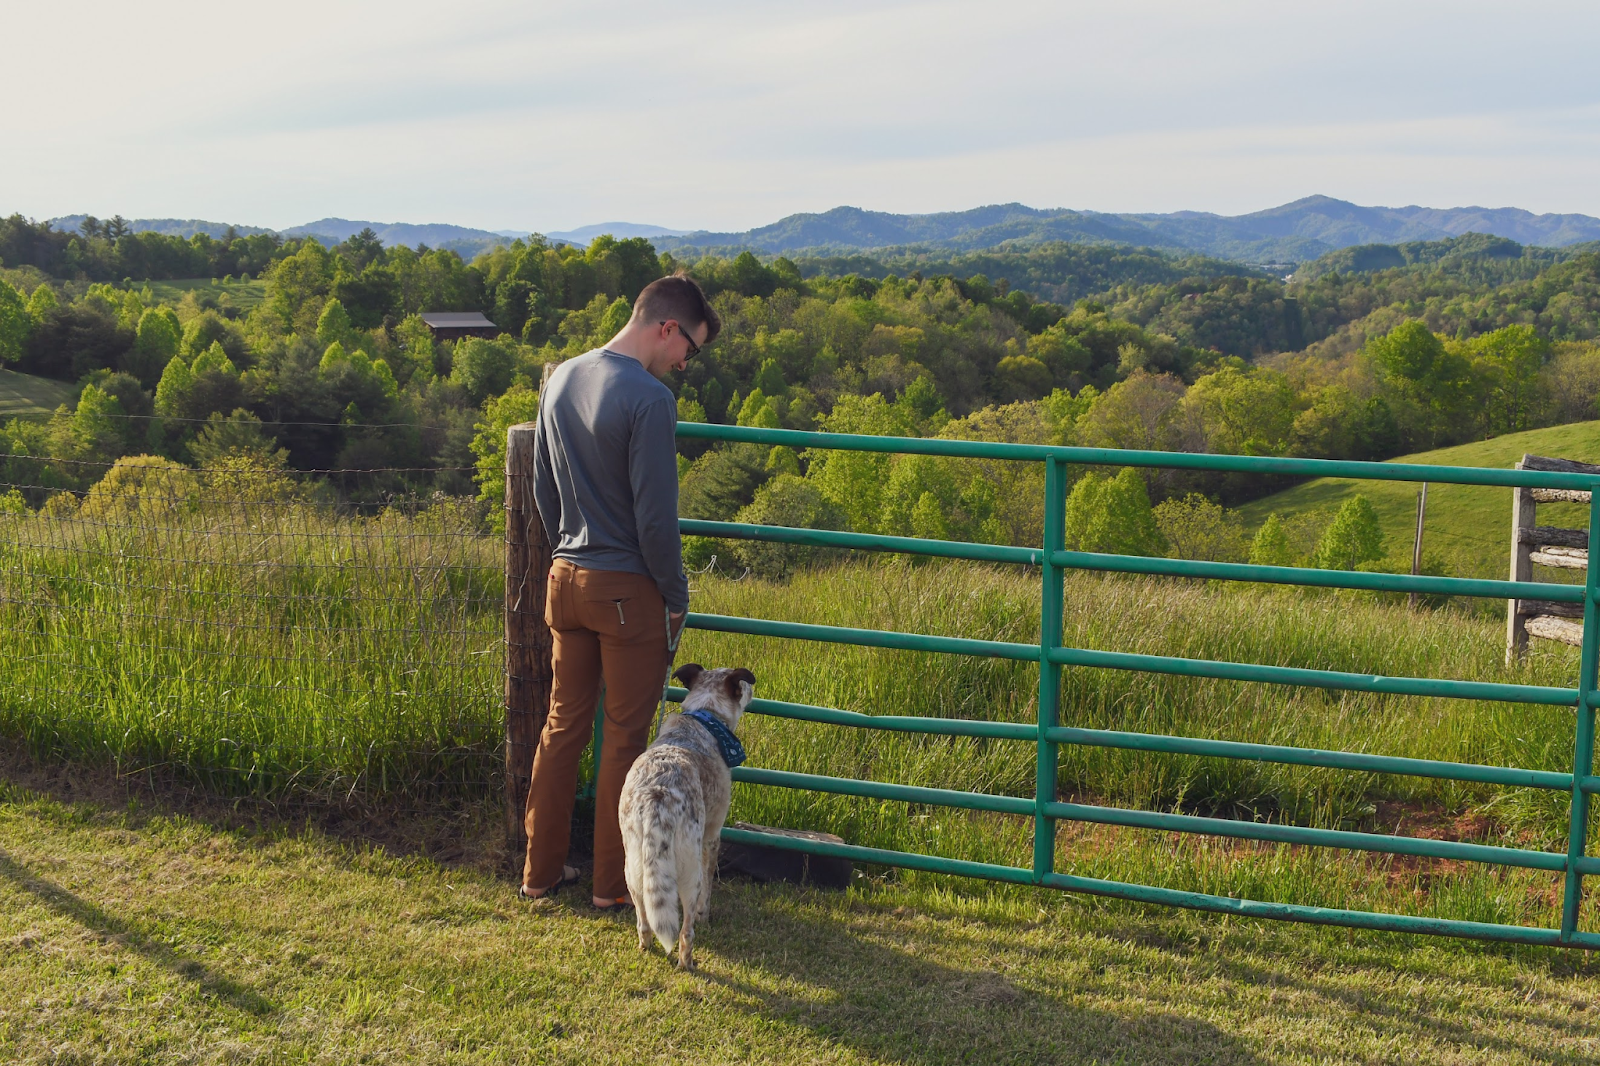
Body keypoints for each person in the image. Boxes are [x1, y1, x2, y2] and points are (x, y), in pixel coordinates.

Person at [522, 271, 720, 910]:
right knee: (625, 739)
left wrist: (569, 551)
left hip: (565, 578)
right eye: (688, 350)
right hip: (627, 590)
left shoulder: (560, 380)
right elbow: (656, 518)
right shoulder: (650, 400)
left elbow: (542, 491)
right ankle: (613, 888)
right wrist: (676, 594)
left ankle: (539, 873)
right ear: (667, 326)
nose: (684, 363)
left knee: (561, 728)